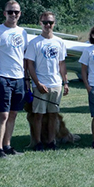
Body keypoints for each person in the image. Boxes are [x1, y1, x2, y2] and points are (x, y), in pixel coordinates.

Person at [0, 0, 28, 158]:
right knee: (3, 115)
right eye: (10, 12)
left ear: (20, 14)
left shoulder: (23, 32)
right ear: (5, 13)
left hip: (19, 79)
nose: (13, 15)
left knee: (13, 114)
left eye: (16, 12)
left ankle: (7, 145)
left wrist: (25, 76)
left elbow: (23, 55)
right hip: (4, 78)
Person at [24, 11, 69, 151]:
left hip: (56, 84)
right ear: (40, 23)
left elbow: (61, 64)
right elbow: (29, 64)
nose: (47, 25)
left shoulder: (59, 42)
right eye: (45, 22)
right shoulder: (34, 43)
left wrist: (65, 82)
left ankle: (51, 141)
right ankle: (37, 142)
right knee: (38, 115)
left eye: (50, 22)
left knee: (53, 115)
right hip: (40, 84)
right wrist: (37, 83)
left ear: (54, 24)